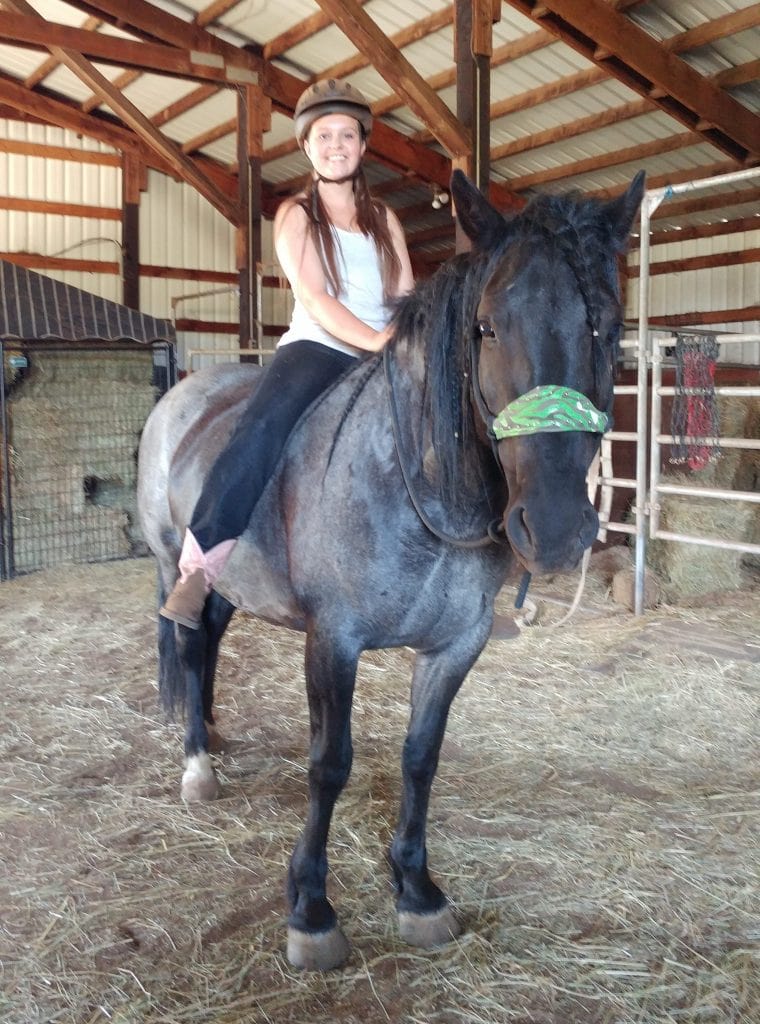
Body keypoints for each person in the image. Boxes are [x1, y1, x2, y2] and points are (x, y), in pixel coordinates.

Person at [160, 78, 414, 629]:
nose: (337, 144)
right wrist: (374, 341)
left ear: (363, 146)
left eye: (347, 134)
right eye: (324, 135)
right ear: (307, 146)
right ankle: (201, 571)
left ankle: (470, 581)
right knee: (261, 432)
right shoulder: (297, 214)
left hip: (383, 352)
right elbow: (316, 298)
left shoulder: (386, 221)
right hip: (320, 348)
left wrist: (400, 343)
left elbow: (402, 297)